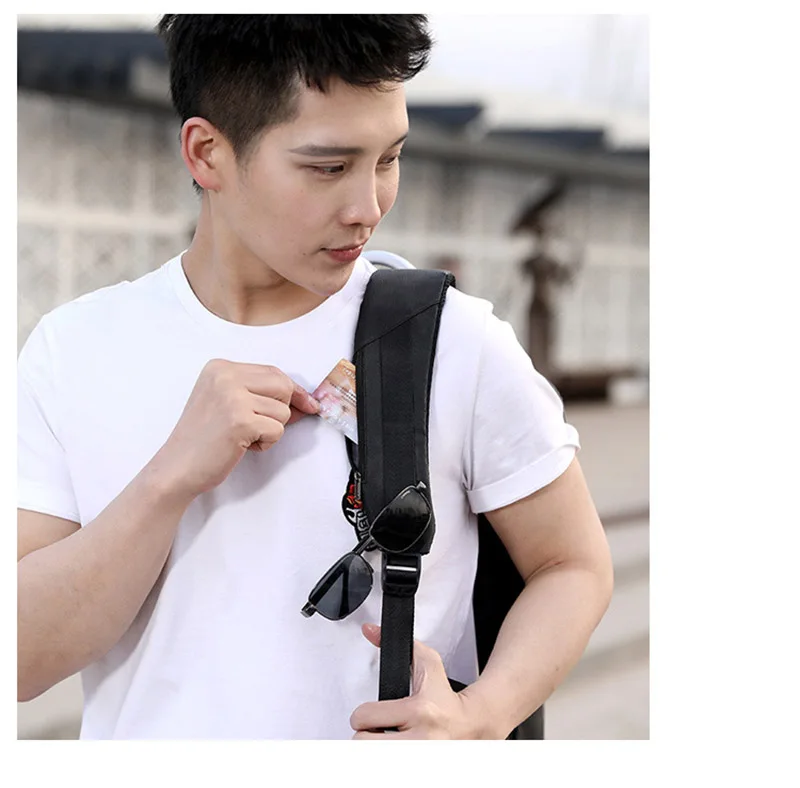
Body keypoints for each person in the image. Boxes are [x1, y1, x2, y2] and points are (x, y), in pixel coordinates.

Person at [17, 15, 613, 740]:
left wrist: (480, 718)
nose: (368, 207)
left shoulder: (452, 340)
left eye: (389, 158)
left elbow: (572, 564)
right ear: (207, 154)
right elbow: (22, 659)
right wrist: (168, 480)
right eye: (328, 168)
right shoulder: (76, 349)